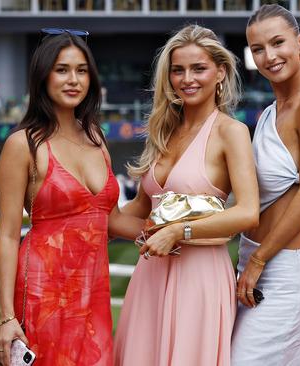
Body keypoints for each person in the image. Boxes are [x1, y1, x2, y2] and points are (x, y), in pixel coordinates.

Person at [110, 25, 259, 365]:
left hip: (200, 278)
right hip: (150, 278)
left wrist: (179, 231)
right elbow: (141, 210)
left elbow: (248, 212)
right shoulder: (163, 130)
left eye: (198, 68)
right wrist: (87, 212)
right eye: (178, 70)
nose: (187, 78)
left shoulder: (231, 132)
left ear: (220, 72)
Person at [0, 30, 117, 365]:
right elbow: (7, 235)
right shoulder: (23, 144)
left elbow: (111, 217)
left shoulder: (96, 138)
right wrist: (6, 317)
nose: (73, 79)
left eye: (82, 70)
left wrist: (174, 225)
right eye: (62, 69)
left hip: (94, 291)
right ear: (42, 75)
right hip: (43, 293)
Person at [231, 4, 300, 364]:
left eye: (278, 43)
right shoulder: (270, 112)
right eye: (258, 48)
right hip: (252, 267)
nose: (269, 56)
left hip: (282, 276)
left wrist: (258, 260)